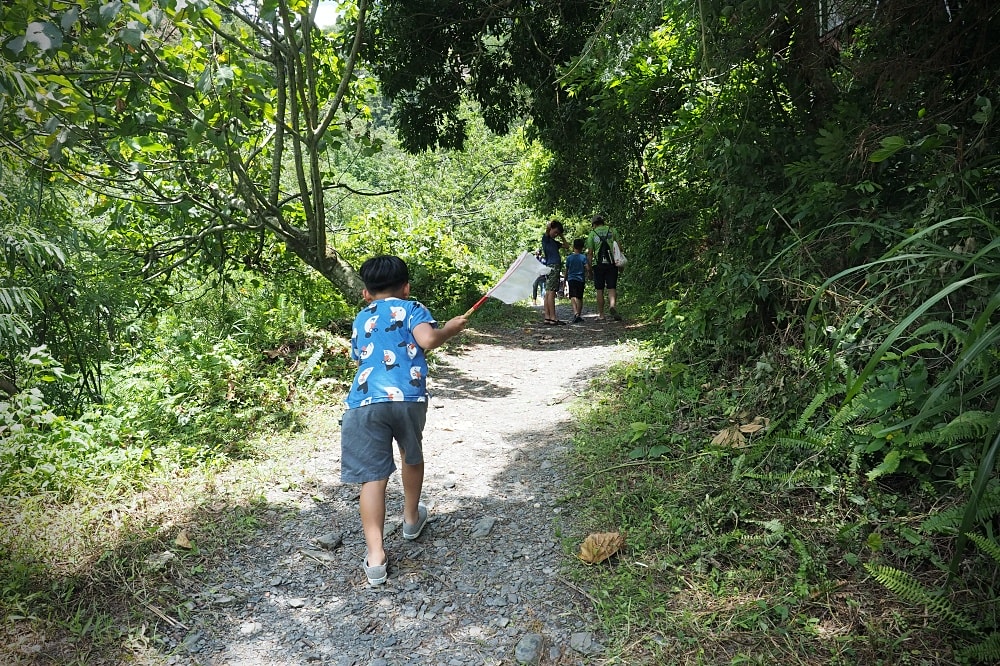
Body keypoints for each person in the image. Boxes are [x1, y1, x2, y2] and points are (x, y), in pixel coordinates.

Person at [341, 255, 469, 586]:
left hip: (365, 402)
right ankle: (411, 520)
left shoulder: (360, 317)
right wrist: (450, 330)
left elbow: (358, 355)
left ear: (365, 293)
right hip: (407, 398)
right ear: (407, 287)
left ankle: (376, 557)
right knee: (411, 454)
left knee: (372, 476)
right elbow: (426, 340)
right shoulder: (413, 308)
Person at [585, 214, 623, 321]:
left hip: (598, 265)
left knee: (599, 289)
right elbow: (620, 248)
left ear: (594, 224)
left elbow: (590, 253)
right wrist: (620, 263)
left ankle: (601, 315)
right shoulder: (612, 230)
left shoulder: (592, 234)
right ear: (603, 222)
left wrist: (589, 269)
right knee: (612, 287)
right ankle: (612, 306)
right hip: (612, 263)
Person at [540, 219, 569, 325]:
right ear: (551, 229)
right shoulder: (546, 238)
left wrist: (561, 235)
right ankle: (553, 317)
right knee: (551, 292)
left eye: (558, 233)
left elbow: (567, 246)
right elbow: (548, 229)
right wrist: (551, 225)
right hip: (553, 266)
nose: (556, 234)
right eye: (555, 232)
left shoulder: (553, 242)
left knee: (548, 291)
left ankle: (547, 317)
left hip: (550, 266)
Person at [564, 237, 589, 323]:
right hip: (580, 279)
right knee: (579, 297)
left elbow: (566, 270)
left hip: (571, 279)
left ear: (573, 247)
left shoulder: (569, 258)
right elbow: (588, 268)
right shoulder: (583, 257)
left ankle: (575, 313)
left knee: (572, 296)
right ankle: (578, 314)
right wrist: (589, 274)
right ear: (582, 247)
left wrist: (564, 280)